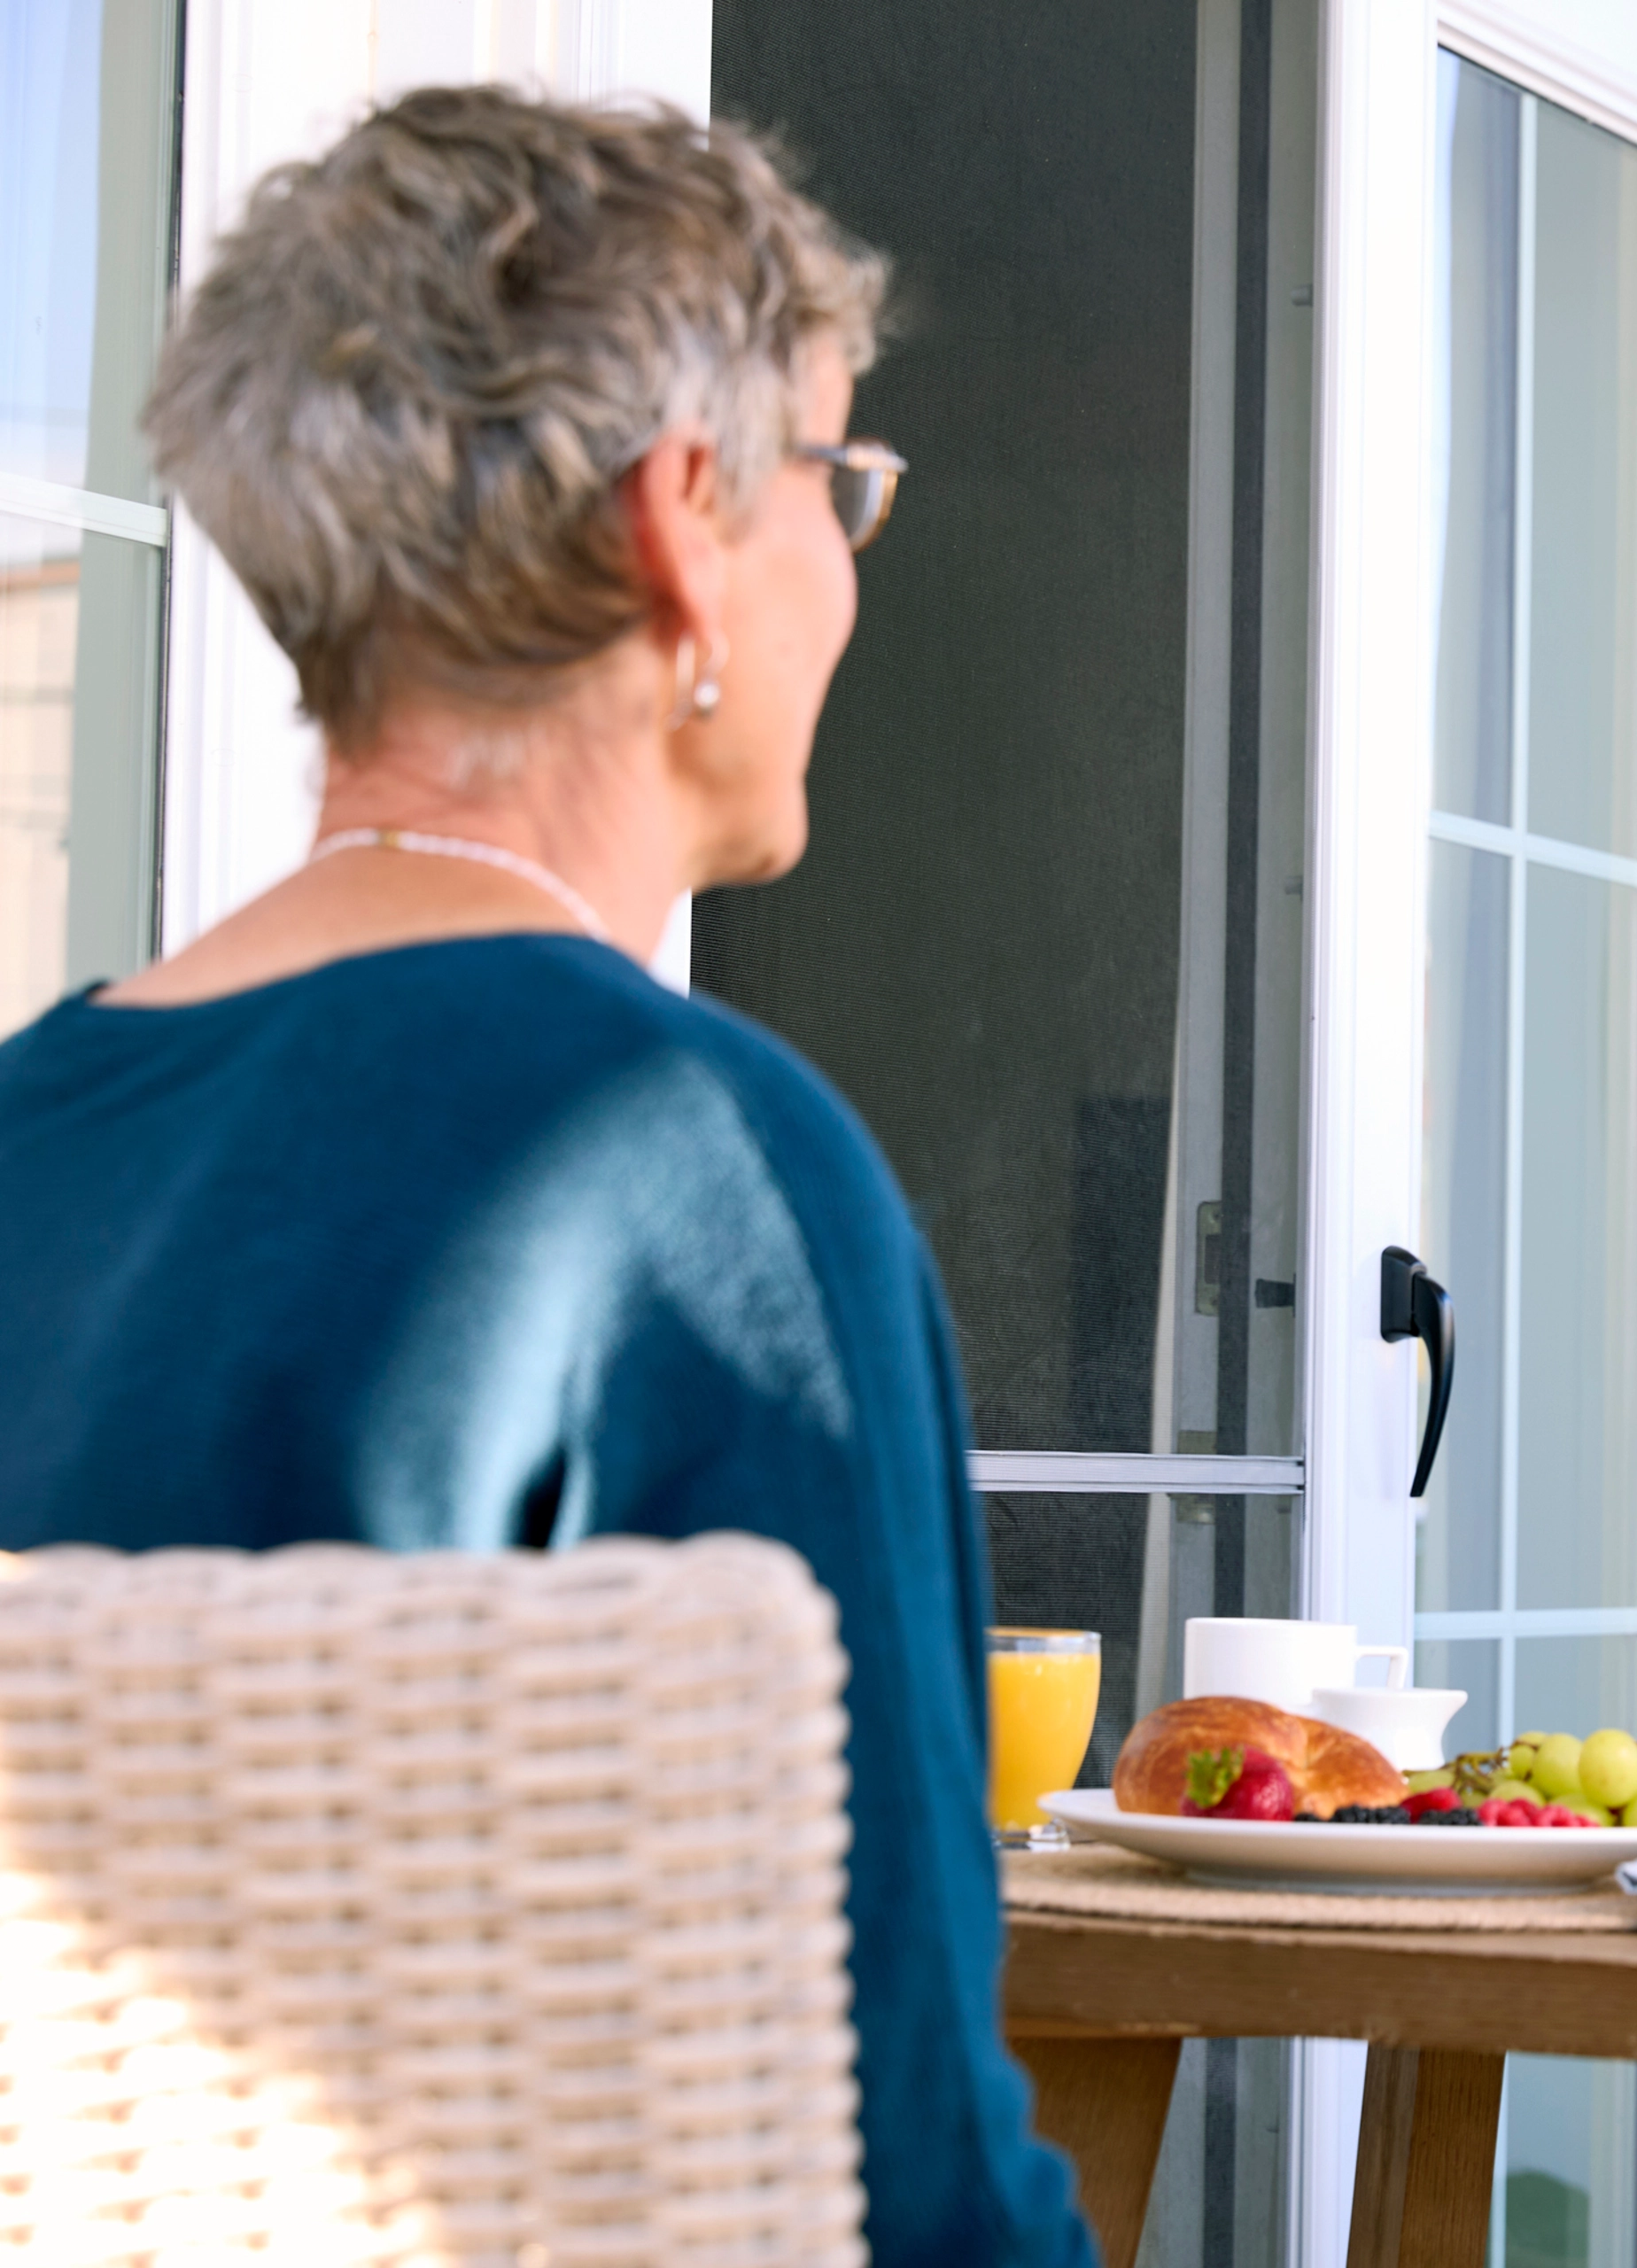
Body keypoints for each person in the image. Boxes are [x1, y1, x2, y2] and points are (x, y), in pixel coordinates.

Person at [0, 89, 1092, 2267]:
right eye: (839, 484)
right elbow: (900, 2165)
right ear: (686, 524)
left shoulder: (34, 1126)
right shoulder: (695, 1178)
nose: (847, 571)